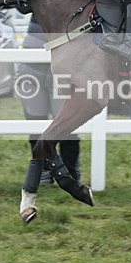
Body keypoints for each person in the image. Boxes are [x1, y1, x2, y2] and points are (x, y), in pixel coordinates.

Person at [16, 19, 81, 186]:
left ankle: (70, 170)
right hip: (32, 68)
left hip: (63, 68)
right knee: (35, 121)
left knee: (66, 124)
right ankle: (43, 170)